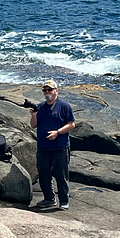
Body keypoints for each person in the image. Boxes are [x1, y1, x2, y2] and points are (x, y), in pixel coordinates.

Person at [30, 80, 75, 210]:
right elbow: (33, 125)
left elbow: (71, 124)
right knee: (44, 175)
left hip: (60, 148)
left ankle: (64, 201)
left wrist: (58, 132)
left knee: (61, 175)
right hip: (43, 147)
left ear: (56, 91)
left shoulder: (64, 106)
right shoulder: (41, 107)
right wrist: (34, 115)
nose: (47, 92)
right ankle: (49, 199)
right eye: (45, 90)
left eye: (50, 89)